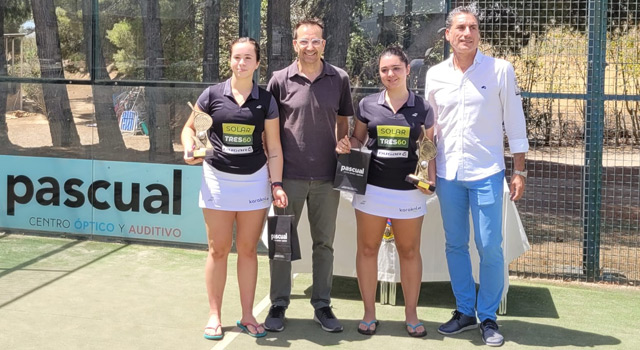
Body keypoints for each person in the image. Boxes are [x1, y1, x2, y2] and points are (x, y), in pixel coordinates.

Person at [425, 5, 529, 347]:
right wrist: (427, 167)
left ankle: (488, 317)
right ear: (448, 35)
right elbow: (431, 128)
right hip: (448, 174)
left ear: (478, 33)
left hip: (487, 173)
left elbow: (514, 121)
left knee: (489, 247)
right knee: (455, 244)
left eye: (472, 27)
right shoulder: (435, 74)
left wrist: (519, 169)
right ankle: (465, 312)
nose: (466, 33)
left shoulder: (500, 70)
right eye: (460, 28)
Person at [181, 37, 288, 341]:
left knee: (248, 250)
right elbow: (190, 128)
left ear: (257, 63)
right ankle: (214, 315)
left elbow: (274, 147)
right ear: (229, 60)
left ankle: (247, 315)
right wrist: (190, 149)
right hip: (216, 180)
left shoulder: (266, 100)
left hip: (254, 181)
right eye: (236, 57)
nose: (241, 63)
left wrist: (276, 183)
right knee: (218, 250)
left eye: (247, 58)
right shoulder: (212, 94)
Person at [336, 45, 435, 337]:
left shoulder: (423, 107)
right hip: (372, 189)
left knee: (409, 251)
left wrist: (429, 179)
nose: (390, 74)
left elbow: (427, 149)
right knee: (367, 250)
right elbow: (358, 140)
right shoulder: (367, 104)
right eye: (384, 70)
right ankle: (369, 313)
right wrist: (346, 146)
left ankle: (412, 315)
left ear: (407, 70)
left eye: (395, 68)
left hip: (409, 192)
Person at [263, 18, 354, 333]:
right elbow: (269, 130)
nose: (310, 47)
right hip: (288, 179)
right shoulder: (278, 80)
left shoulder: (339, 78)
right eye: (304, 41)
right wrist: (274, 176)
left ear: (324, 44)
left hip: (328, 179)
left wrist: (342, 143)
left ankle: (322, 305)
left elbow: (344, 122)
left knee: (323, 245)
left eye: (316, 41)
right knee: (281, 242)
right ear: (295, 44)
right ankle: (278, 304)